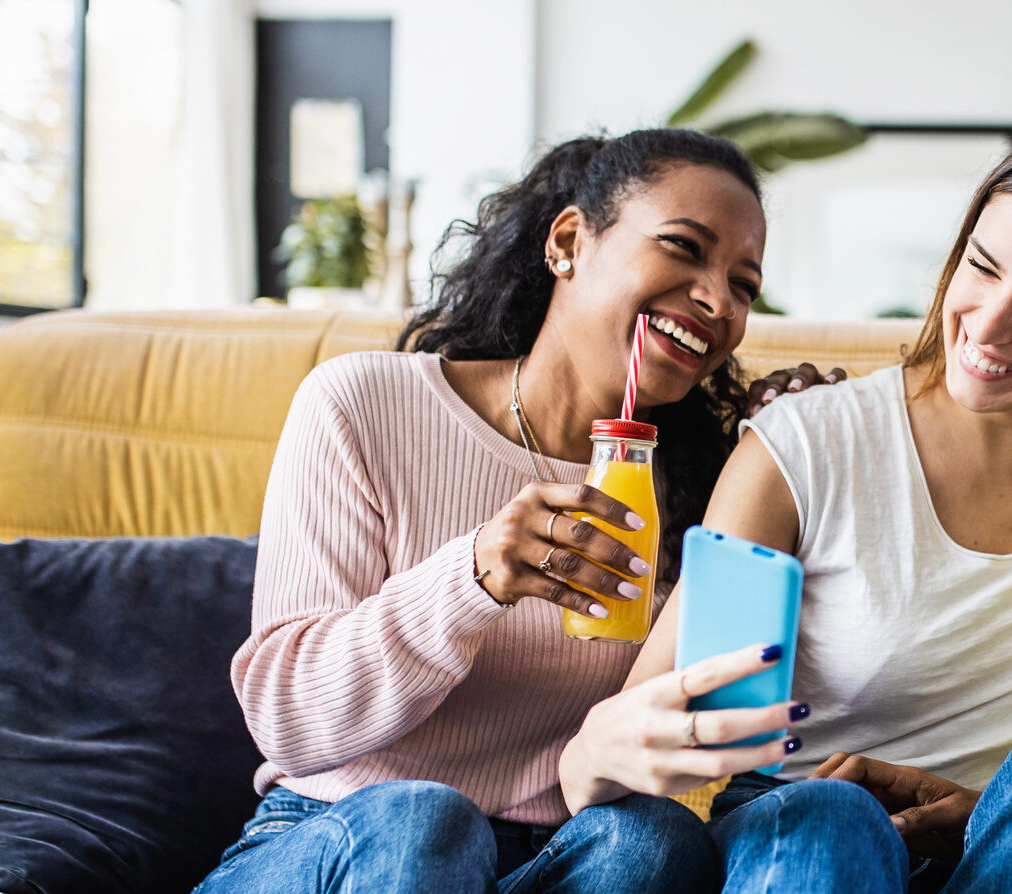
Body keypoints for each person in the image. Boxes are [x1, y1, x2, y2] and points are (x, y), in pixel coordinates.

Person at [197, 129, 806, 894]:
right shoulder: (362, 405)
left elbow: (730, 718)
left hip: (550, 861)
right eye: (684, 247)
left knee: (650, 842)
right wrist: (473, 576)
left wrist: (796, 461)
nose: (718, 301)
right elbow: (286, 721)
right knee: (423, 821)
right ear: (568, 242)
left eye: (743, 286)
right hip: (341, 837)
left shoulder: (709, 485)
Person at [558, 142, 1012, 893]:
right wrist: (603, 756)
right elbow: (646, 724)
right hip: (804, 835)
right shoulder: (807, 445)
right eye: (981, 267)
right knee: (836, 816)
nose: (988, 327)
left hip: (1005, 859)